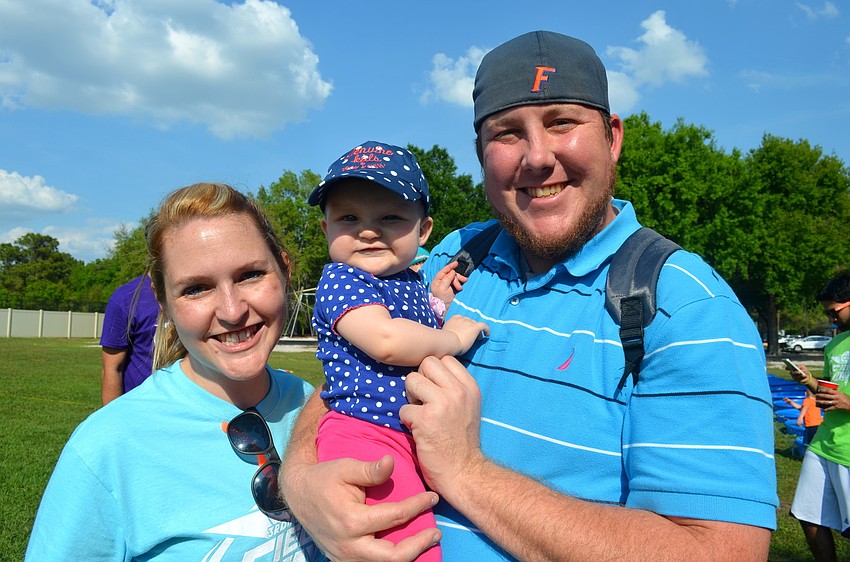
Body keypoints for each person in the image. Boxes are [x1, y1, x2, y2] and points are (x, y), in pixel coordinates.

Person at [280, 31, 778, 561]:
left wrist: (468, 472)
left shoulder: (688, 309)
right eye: (508, 132)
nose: (538, 157)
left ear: (612, 138)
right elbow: (357, 367)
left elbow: (720, 552)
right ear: (480, 154)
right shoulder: (457, 253)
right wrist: (300, 477)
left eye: (563, 122)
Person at [26, 183, 326, 561]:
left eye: (250, 274)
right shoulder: (107, 448)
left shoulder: (314, 404)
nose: (232, 311)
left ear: (284, 271)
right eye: (197, 288)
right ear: (162, 299)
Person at [308, 141, 488, 560]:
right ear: (326, 230)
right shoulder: (340, 280)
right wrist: (455, 339)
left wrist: (436, 301)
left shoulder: (408, 282)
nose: (368, 231)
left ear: (423, 230)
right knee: (407, 547)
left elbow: (415, 324)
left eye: (390, 217)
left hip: (405, 435)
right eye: (349, 218)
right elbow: (388, 342)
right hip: (365, 434)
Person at [788, 272, 850, 562]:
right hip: (824, 444)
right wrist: (809, 380)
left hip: (848, 451)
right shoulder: (834, 346)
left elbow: (844, 399)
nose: (830, 319)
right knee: (806, 514)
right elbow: (827, 389)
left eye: (833, 311)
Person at [100, 273, 159, 405]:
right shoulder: (125, 298)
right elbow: (112, 369)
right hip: (140, 409)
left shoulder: (198, 292)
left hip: (190, 410)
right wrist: (113, 421)